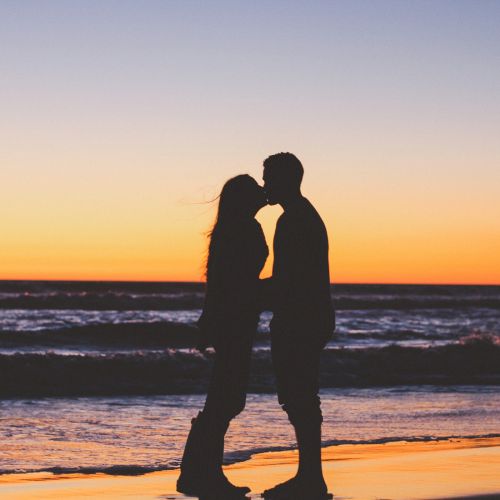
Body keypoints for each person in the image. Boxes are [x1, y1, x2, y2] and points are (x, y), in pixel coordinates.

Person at [177, 174, 268, 499]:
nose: (263, 191)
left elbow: (221, 282)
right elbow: (234, 283)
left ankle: (198, 472)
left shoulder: (233, 228)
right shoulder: (242, 229)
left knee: (224, 397)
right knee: (226, 398)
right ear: (245, 199)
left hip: (234, 320)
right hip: (235, 321)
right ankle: (202, 474)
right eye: (256, 189)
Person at [261, 153, 335, 500]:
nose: (265, 186)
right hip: (311, 316)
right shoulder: (303, 216)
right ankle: (310, 476)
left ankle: (311, 479)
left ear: (287, 180)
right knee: (301, 397)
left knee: (299, 397)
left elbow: (287, 279)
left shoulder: (294, 220)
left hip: (300, 318)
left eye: (269, 178)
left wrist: (245, 293)